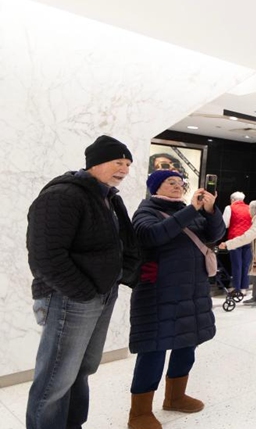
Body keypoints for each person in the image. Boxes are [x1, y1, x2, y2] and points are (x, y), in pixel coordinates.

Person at [25, 135, 140, 429]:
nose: (125, 169)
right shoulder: (63, 195)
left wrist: (121, 276)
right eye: (118, 162)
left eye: (128, 164)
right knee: (56, 378)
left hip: (101, 294)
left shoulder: (109, 197)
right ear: (96, 162)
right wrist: (83, 293)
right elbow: (45, 257)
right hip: (71, 297)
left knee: (82, 369)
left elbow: (122, 241)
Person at [127, 170, 225, 429]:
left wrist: (210, 210)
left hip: (192, 290)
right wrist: (191, 210)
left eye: (181, 183)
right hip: (159, 292)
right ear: (155, 187)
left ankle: (175, 397)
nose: (177, 186)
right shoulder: (146, 211)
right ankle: (139, 412)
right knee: (154, 349)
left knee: (187, 343)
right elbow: (152, 235)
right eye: (170, 182)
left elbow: (214, 235)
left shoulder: (189, 211)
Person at [221, 191, 252, 297]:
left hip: (235, 239)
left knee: (236, 264)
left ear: (232, 199)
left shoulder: (229, 208)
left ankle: (237, 288)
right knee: (246, 264)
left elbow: (225, 224)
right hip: (248, 238)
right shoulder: (250, 208)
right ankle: (244, 288)